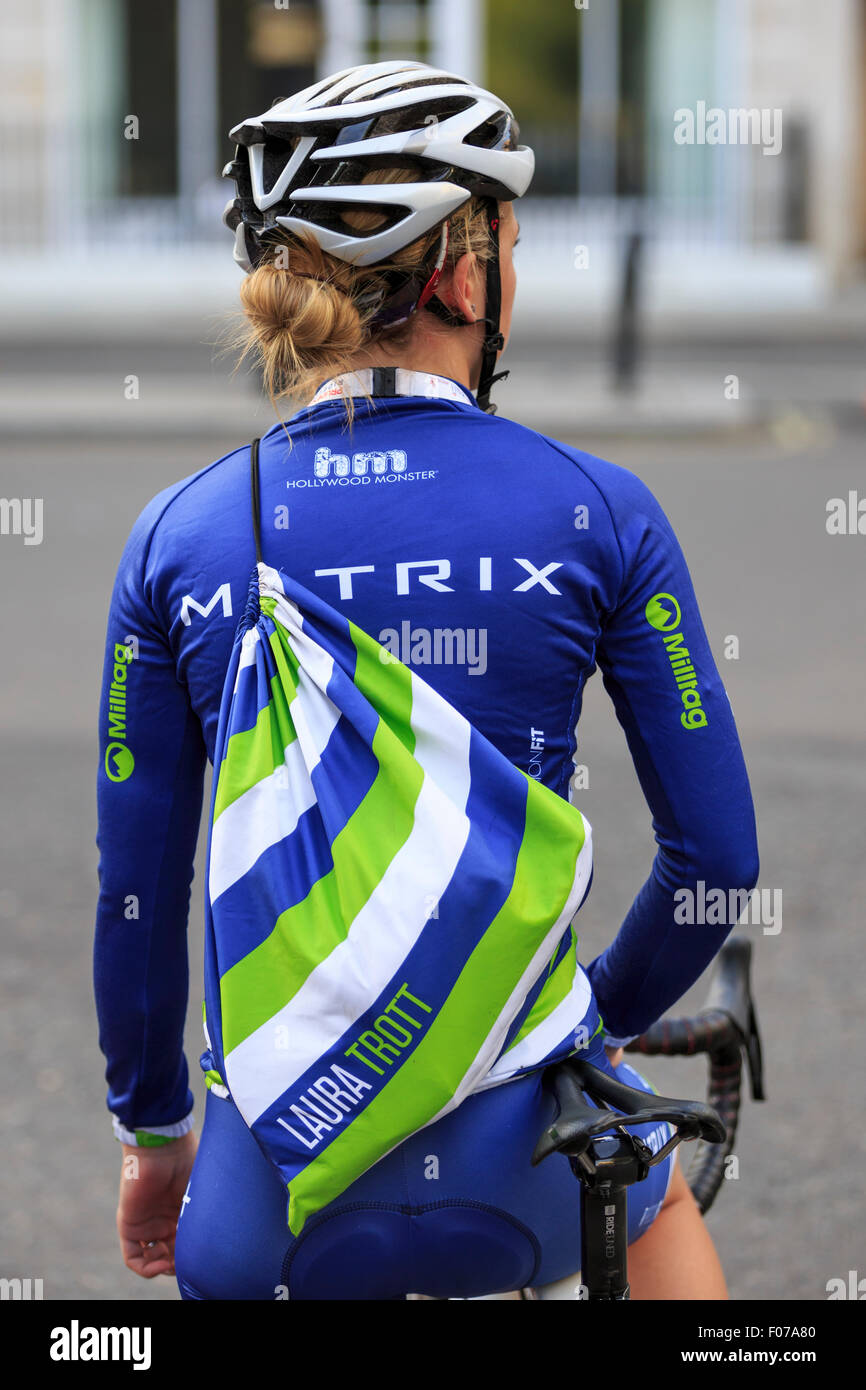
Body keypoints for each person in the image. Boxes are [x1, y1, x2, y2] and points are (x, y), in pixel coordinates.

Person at [94, 60, 758, 1300]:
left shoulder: (176, 536)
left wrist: (154, 1138)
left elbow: (135, 901)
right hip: (545, 1165)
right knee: (657, 1214)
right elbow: (714, 863)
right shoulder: (598, 510)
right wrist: (590, 1030)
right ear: (462, 275)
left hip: (271, 1195)